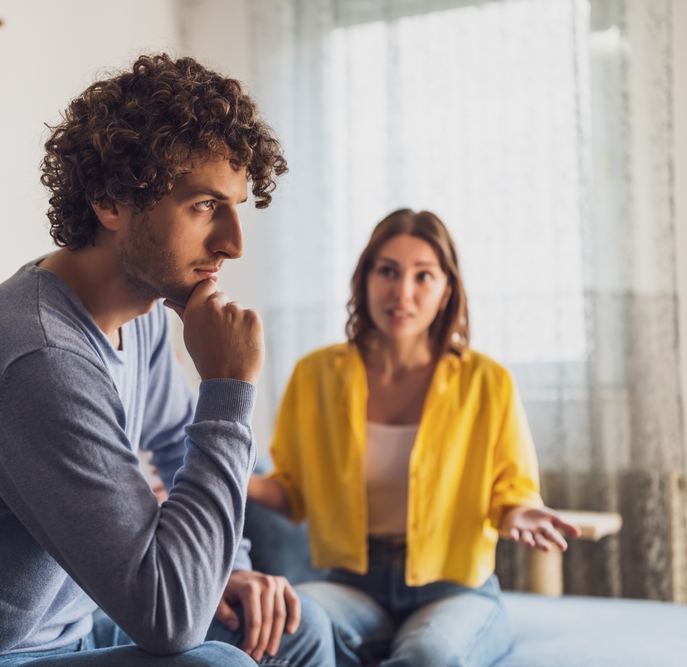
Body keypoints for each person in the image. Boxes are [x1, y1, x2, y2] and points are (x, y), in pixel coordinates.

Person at [0, 55, 334, 667]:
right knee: (217, 664)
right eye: (204, 205)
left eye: (235, 206)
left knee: (292, 630)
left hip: (66, 635)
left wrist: (229, 570)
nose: (233, 242)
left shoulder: (141, 316)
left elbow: (176, 444)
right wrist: (227, 390)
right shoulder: (40, 360)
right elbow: (168, 619)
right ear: (110, 201)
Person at [247, 209, 582, 667]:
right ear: (364, 280)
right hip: (351, 584)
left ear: (447, 290)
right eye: (387, 271)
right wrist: (219, 475)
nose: (402, 292)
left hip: (455, 589)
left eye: (424, 275)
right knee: (288, 627)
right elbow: (293, 492)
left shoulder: (488, 381)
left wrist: (521, 512)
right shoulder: (315, 376)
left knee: (428, 656)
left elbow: (512, 491)